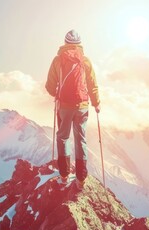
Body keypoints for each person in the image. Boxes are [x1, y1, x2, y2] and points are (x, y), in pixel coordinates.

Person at [45, 30, 100, 182]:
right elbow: (92, 85)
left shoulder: (57, 60)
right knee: (80, 138)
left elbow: (50, 86)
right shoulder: (85, 61)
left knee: (63, 137)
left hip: (64, 106)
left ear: (65, 43)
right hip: (82, 105)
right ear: (79, 44)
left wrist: (56, 94)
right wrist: (96, 103)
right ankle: (81, 177)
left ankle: (64, 175)